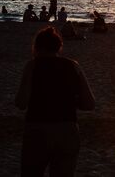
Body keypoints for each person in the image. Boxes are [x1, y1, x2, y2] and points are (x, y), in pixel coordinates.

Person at [15, 27, 95, 177]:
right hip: (67, 131)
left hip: (38, 129)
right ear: (59, 47)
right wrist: (70, 100)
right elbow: (90, 103)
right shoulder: (73, 66)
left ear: (37, 46)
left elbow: (21, 102)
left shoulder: (32, 66)